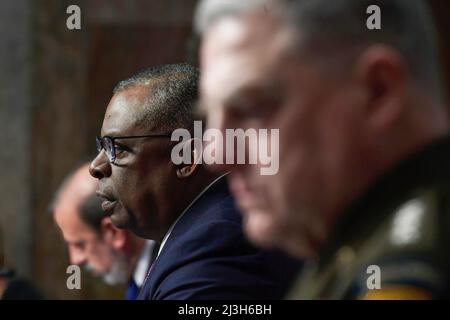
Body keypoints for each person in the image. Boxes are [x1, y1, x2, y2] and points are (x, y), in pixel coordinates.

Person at [196, 0, 450, 299]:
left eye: (251, 109)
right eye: (209, 116)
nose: (215, 155)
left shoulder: (406, 278)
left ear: (377, 91)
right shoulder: (348, 252)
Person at [89, 63, 301, 300]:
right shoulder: (198, 232)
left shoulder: (216, 243)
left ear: (185, 158)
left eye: (117, 148)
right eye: (102, 146)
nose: (95, 166)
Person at [52, 163, 157, 299]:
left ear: (114, 232)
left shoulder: (171, 276)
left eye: (80, 245)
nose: (75, 260)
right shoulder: (140, 279)